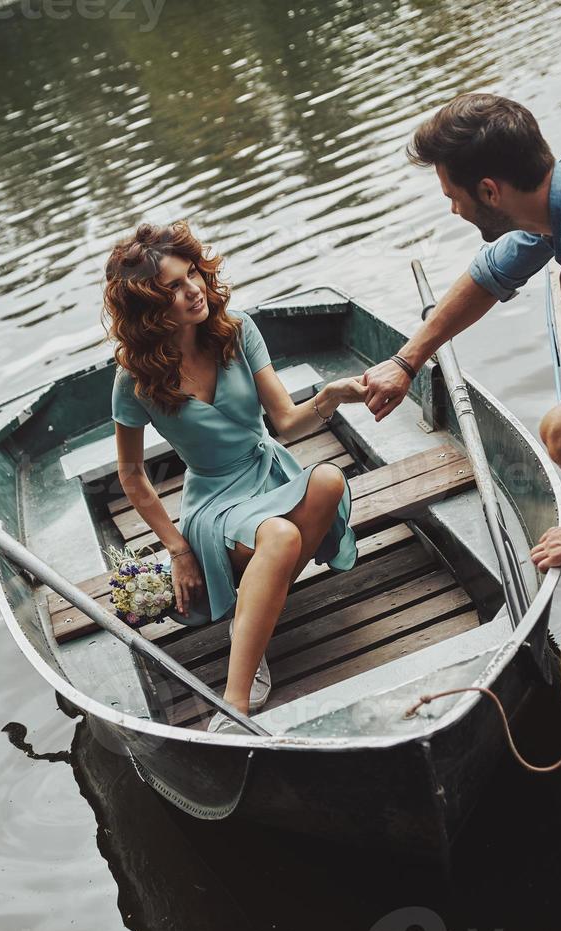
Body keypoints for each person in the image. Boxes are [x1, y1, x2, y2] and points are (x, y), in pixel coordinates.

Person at [363, 93, 561, 572]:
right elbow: (490, 276)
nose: (453, 209)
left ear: (490, 192)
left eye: (453, 197)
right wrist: (405, 361)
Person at [104, 221, 366, 733]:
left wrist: (330, 397)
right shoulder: (135, 378)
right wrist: (178, 550)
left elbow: (287, 421)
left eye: (191, 276)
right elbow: (132, 473)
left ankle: (252, 617)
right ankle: (236, 700)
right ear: (148, 310)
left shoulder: (237, 329)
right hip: (214, 502)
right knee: (280, 534)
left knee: (331, 481)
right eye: (172, 290)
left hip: (269, 473)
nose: (193, 291)